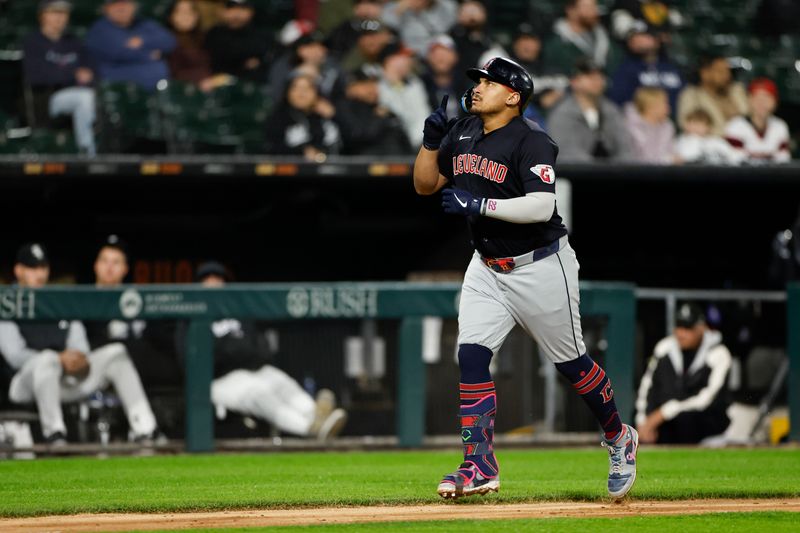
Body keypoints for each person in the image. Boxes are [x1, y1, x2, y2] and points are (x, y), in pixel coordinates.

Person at [412, 57, 638, 500]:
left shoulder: (533, 139)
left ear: (513, 96)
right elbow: (424, 185)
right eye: (476, 81)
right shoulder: (461, 131)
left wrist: (480, 207)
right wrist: (428, 143)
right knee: (472, 357)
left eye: (488, 83)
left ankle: (618, 435)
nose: (477, 87)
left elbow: (540, 206)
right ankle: (478, 463)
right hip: (486, 267)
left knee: (573, 365)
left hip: (540, 265)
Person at [0, 243, 163, 445]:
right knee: (47, 358)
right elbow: (14, 355)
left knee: (116, 353)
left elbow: (79, 344)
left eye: (42, 267)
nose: (39, 273)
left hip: (63, 380)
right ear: (19, 271)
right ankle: (55, 434)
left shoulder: (57, 301)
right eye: (32, 268)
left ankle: (146, 430)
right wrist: (59, 358)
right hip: (24, 384)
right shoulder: (6, 302)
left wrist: (80, 358)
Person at [176, 261, 348, 440]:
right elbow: (188, 360)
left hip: (254, 370)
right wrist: (232, 351)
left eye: (218, 278)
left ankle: (317, 415)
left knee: (283, 382)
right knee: (260, 394)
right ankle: (310, 428)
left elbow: (259, 347)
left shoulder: (237, 312)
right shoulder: (189, 318)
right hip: (218, 380)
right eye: (208, 279)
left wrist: (238, 352)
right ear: (198, 285)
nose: (214, 282)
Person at [84, 235, 182, 394]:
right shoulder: (81, 300)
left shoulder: (135, 299)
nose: (109, 267)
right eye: (104, 261)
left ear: (125, 269)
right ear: (96, 265)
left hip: (139, 368)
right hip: (97, 367)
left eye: (116, 262)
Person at [635, 303, 733, 444]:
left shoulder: (718, 353)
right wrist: (643, 422)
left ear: (702, 328)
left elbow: (707, 399)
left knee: (689, 419)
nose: (681, 333)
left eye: (688, 328)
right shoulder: (665, 348)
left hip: (707, 431)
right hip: (666, 429)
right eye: (679, 326)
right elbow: (647, 387)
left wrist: (664, 412)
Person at [22, 0, 97, 156]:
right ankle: (87, 151)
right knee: (84, 97)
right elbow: (36, 77)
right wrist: (73, 74)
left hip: (77, 93)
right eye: (54, 12)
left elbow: (91, 73)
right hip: (46, 99)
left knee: (95, 97)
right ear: (42, 16)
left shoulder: (74, 42)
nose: (59, 18)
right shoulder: (33, 42)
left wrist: (65, 74)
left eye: (63, 13)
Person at [548, 58, 635, 162]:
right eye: (589, 76)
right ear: (574, 82)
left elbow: (625, 148)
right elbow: (567, 153)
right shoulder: (562, 113)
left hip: (614, 175)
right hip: (576, 175)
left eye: (600, 76)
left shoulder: (612, 110)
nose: (596, 80)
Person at [85, 0, 177, 92]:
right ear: (106, 8)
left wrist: (143, 40)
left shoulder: (143, 23)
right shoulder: (100, 29)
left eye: (125, 3)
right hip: (116, 86)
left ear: (134, 7)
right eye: (116, 4)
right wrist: (148, 54)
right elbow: (121, 52)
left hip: (153, 84)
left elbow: (169, 40)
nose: (121, 7)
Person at [263, 72, 342, 160]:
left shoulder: (329, 114)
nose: (301, 93)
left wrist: (335, 116)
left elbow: (354, 141)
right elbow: (270, 149)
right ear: (287, 92)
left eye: (307, 88)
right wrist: (301, 152)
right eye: (295, 88)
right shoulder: (278, 117)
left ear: (316, 92)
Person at [335, 67, 412, 155]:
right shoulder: (344, 107)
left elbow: (401, 134)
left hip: (397, 160)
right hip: (362, 163)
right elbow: (356, 135)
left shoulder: (379, 107)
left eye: (374, 83)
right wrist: (379, 118)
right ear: (350, 88)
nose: (373, 88)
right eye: (366, 84)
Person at [607, 25, 683, 113]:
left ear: (657, 39)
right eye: (634, 37)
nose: (638, 40)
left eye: (644, 36)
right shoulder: (625, 69)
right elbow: (617, 102)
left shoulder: (670, 67)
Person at [542, 0, 620, 76]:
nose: (594, 11)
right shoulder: (556, 44)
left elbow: (617, 62)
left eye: (594, 6)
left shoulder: (602, 35)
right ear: (571, 11)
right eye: (587, 7)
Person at [724, 78, 791, 164]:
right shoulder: (735, 125)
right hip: (743, 176)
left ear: (774, 101)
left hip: (774, 176)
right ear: (749, 99)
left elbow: (783, 161)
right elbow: (735, 161)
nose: (761, 102)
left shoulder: (780, 126)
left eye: (766, 97)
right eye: (757, 97)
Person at [676, 55, 748, 136]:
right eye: (720, 71)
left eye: (727, 71)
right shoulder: (691, 95)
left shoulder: (737, 90)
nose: (727, 75)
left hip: (745, 142)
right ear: (704, 73)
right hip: (711, 144)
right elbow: (685, 125)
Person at [165, 0, 228, 92]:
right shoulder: (166, 41)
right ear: (171, 17)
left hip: (212, 88)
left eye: (191, 12)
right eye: (181, 12)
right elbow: (172, 74)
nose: (186, 16)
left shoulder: (206, 38)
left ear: (197, 16)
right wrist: (200, 81)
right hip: (183, 92)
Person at [204, 0, 270, 82]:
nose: (236, 13)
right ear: (222, 11)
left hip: (250, 85)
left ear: (251, 11)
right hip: (217, 85)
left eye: (242, 8)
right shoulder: (214, 33)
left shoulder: (261, 34)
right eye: (231, 7)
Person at [381, 0, 458, 57]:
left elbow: (453, 12)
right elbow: (385, 21)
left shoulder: (440, 7)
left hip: (440, 53)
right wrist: (399, 9)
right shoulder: (399, 9)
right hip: (413, 56)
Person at [673, 108, 743, 165]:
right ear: (686, 125)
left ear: (708, 127)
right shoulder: (681, 141)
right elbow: (676, 158)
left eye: (700, 124)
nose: (696, 127)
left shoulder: (716, 141)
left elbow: (732, 155)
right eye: (693, 123)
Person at [623, 86, 675, 163]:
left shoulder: (668, 126)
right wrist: (668, 159)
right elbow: (640, 159)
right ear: (650, 107)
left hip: (665, 172)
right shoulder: (630, 127)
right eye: (664, 103)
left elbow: (671, 151)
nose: (668, 107)